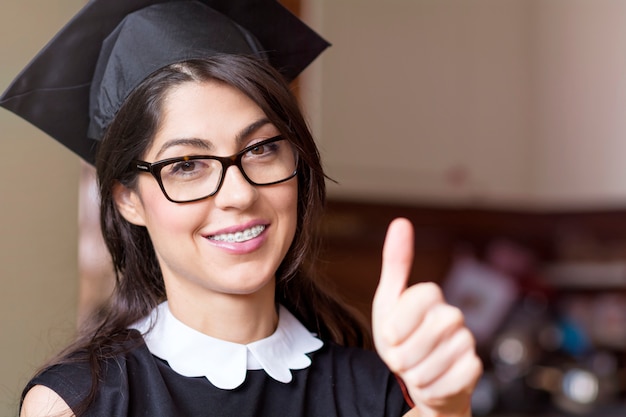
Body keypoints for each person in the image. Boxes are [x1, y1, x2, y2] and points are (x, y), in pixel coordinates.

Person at [1, 1, 482, 416]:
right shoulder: (78, 404)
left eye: (261, 149)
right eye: (187, 164)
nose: (238, 194)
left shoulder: (377, 394)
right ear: (128, 200)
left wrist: (446, 409)